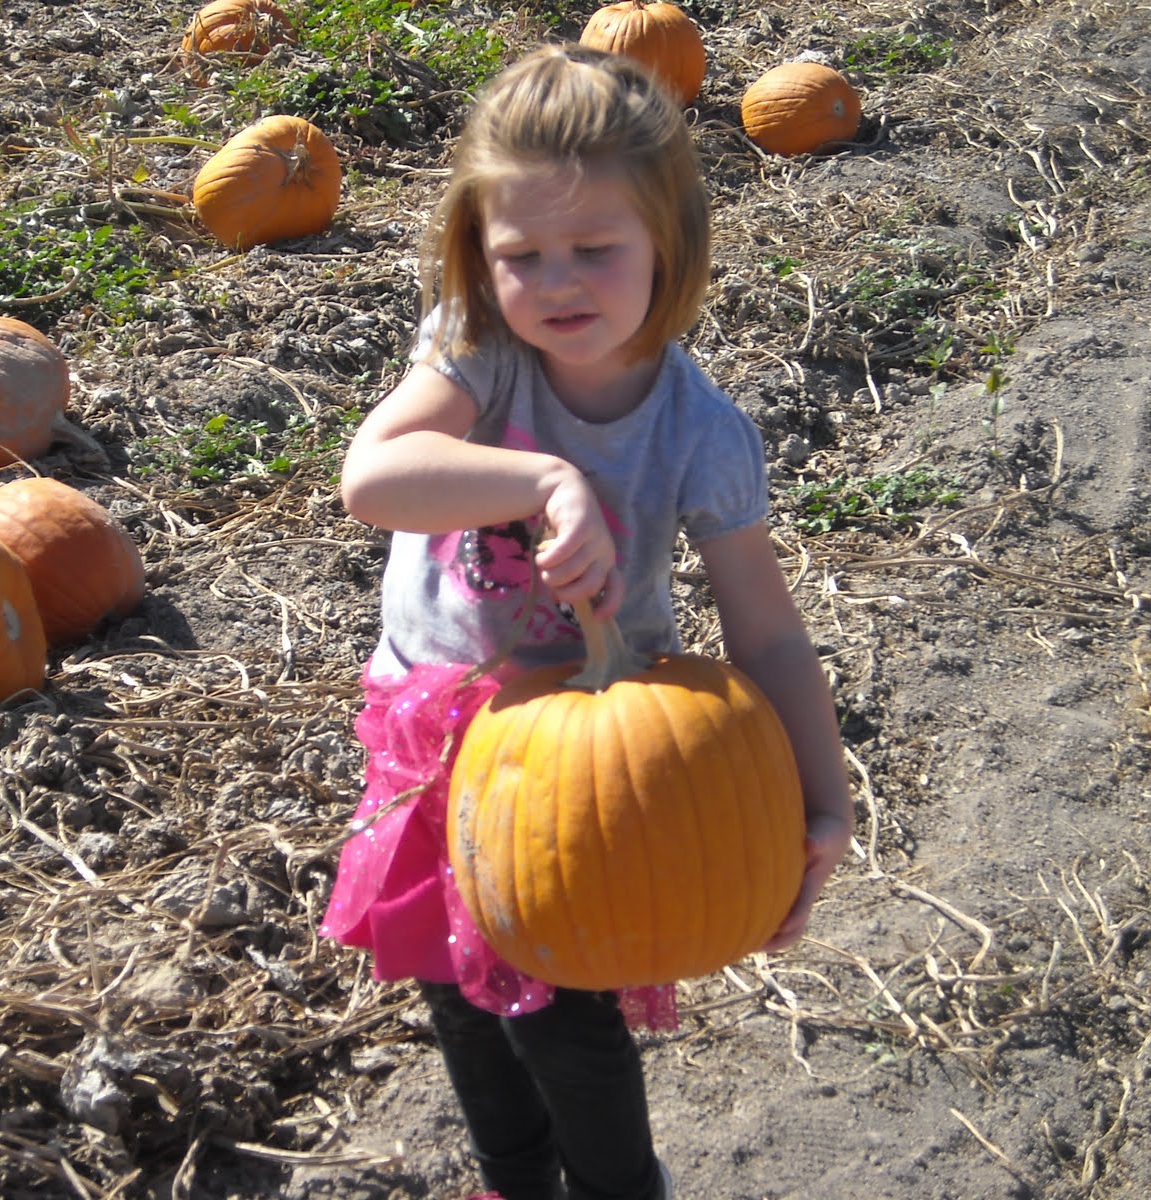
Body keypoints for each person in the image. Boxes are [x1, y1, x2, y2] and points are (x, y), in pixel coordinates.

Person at [318, 43, 854, 1200]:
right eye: (521, 255)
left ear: (669, 242)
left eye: (595, 249)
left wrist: (824, 801)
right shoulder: (478, 356)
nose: (557, 282)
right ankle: (513, 1183)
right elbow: (373, 477)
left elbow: (764, 632)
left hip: (580, 762)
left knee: (560, 1014)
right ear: (479, 255)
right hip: (433, 729)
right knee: (457, 994)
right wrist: (544, 480)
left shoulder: (698, 432)